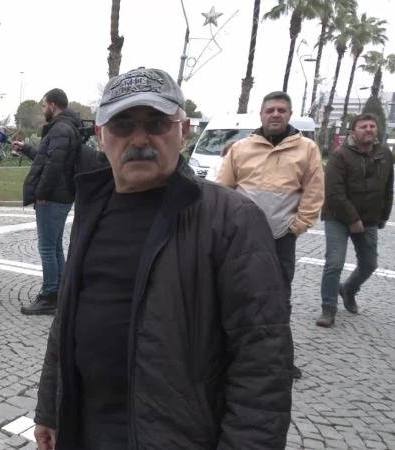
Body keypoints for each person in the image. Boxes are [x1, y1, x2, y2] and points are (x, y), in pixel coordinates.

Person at [34, 68, 293, 450]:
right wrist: (49, 409)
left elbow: (263, 358)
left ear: (183, 129)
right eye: (123, 125)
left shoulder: (231, 220)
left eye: (157, 123)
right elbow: (67, 320)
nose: (140, 138)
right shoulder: (92, 207)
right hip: (87, 428)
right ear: (102, 134)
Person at [216, 91, 324, 379]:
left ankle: (279, 358)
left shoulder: (307, 150)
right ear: (261, 115)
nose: (275, 114)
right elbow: (223, 190)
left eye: (281, 110)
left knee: (278, 298)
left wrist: (297, 226)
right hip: (240, 239)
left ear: (289, 115)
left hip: (281, 239)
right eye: (270, 110)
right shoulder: (241, 149)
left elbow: (314, 192)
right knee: (235, 293)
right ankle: (230, 353)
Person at [316, 113, 393, 327]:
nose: (368, 129)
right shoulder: (340, 156)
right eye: (363, 126)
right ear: (353, 132)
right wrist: (352, 220)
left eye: (372, 126)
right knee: (334, 263)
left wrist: (383, 216)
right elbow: (334, 192)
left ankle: (348, 289)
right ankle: (328, 309)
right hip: (337, 217)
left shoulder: (385, 154)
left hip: (369, 219)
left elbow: (388, 188)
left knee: (369, 264)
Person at [11, 88, 81, 315]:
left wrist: (40, 193)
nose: (43, 111)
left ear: (52, 105)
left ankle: (50, 295)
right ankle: (59, 293)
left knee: (47, 248)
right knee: (55, 246)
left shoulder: (60, 127)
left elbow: (54, 165)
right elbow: (47, 157)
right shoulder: (66, 127)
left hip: (53, 197)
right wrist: (27, 149)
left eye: (44, 106)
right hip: (60, 195)